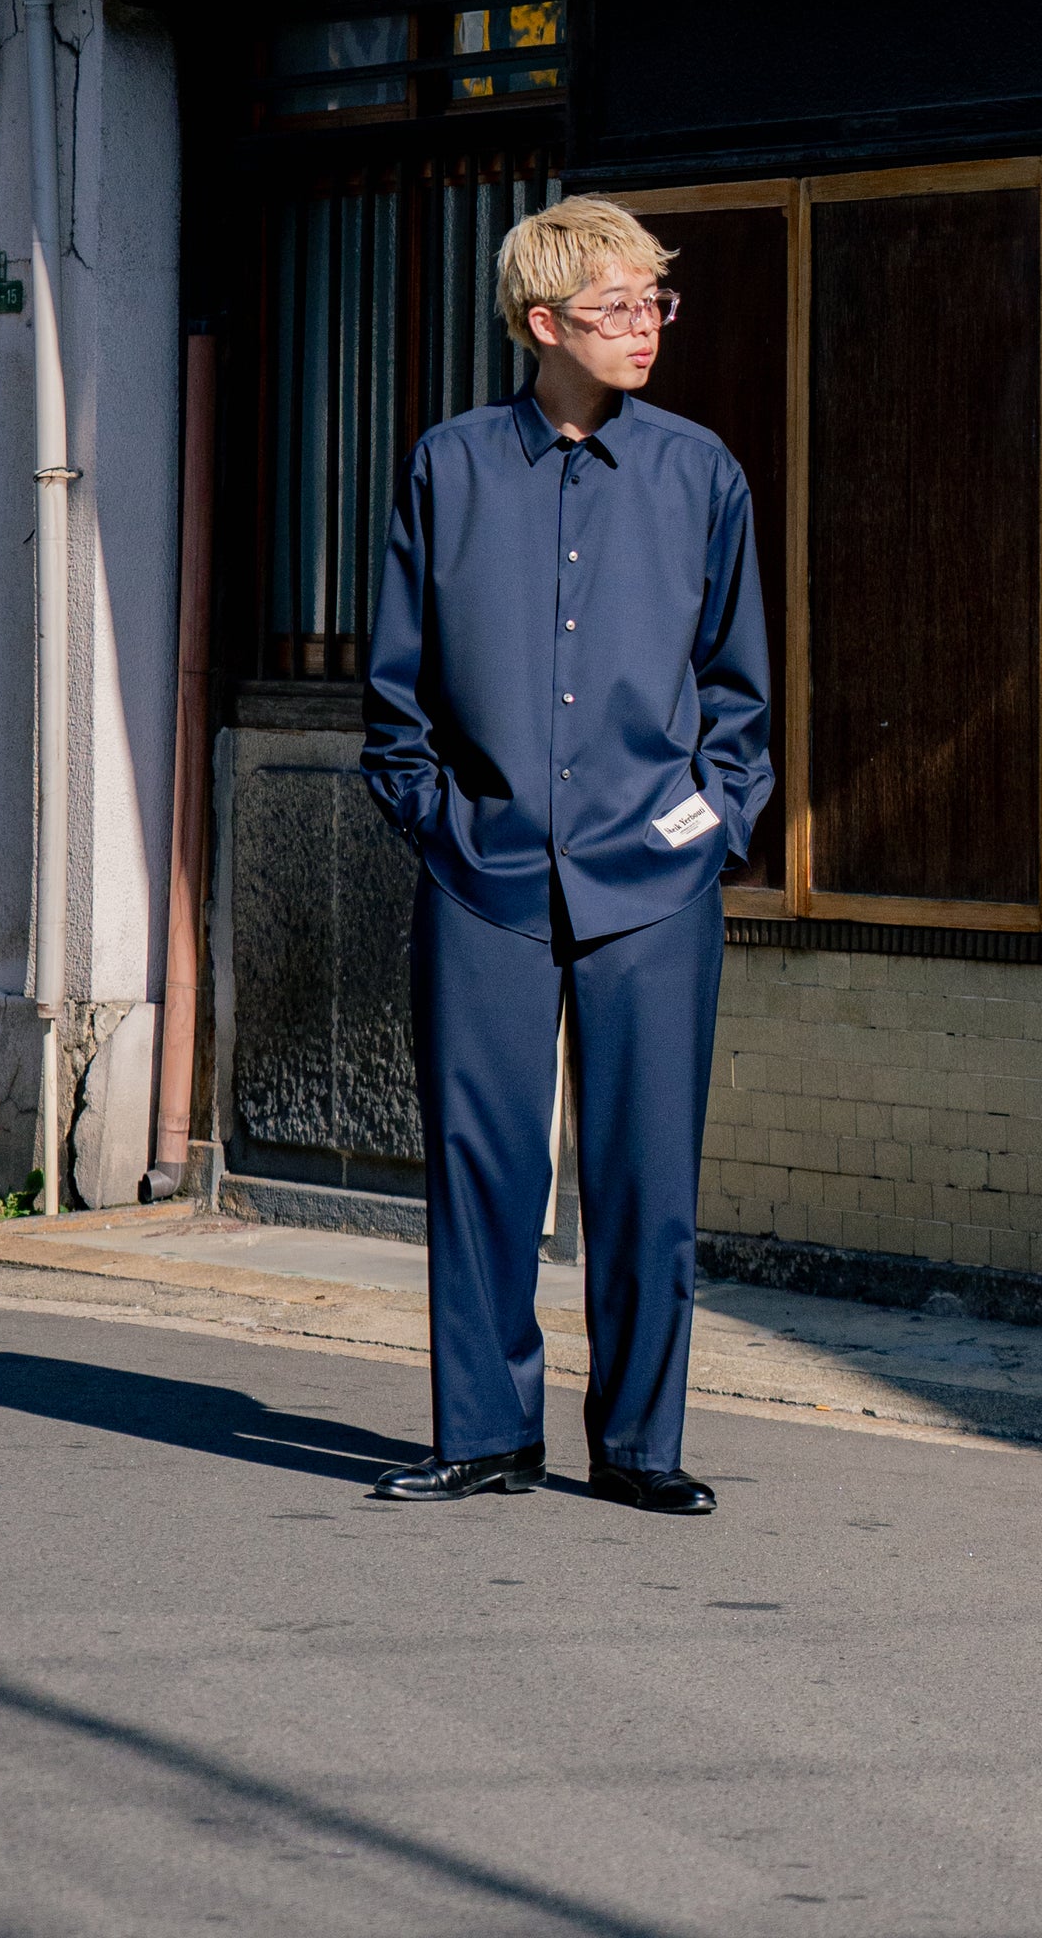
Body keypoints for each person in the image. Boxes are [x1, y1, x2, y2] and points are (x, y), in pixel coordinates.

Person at [361, 196, 773, 1513]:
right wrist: (438, 820)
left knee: (647, 1174)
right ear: (544, 323)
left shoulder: (701, 473)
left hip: (653, 884)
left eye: (657, 303)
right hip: (483, 873)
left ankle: (640, 1447)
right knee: (481, 1166)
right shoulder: (449, 467)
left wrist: (711, 826)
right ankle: (487, 1434)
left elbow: (738, 691)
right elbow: (397, 690)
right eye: (618, 307)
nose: (647, 327)